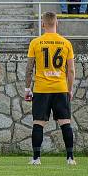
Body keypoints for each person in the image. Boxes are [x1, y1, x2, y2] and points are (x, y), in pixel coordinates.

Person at [24, 12, 76, 165]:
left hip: (41, 89)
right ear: (56, 23)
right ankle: (70, 158)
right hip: (60, 88)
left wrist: (27, 88)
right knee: (65, 122)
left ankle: (36, 158)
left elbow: (29, 68)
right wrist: (69, 89)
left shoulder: (36, 43)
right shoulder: (66, 43)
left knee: (38, 123)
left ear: (42, 24)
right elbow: (71, 70)